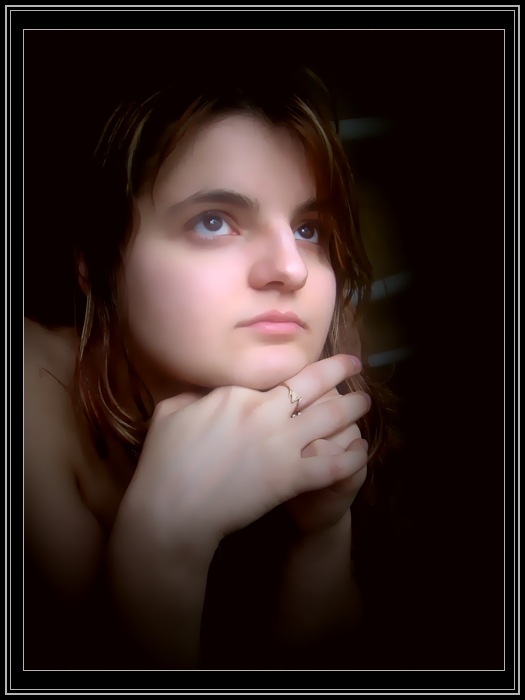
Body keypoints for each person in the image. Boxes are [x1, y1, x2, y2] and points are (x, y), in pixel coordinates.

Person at [23, 57, 393, 670]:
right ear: (95, 263)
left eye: (309, 229)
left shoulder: (327, 359)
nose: (292, 269)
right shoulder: (28, 396)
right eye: (214, 221)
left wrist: (321, 533)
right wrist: (162, 545)